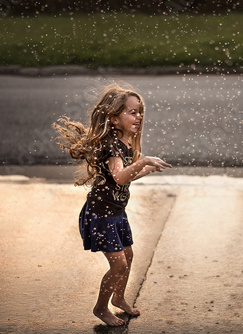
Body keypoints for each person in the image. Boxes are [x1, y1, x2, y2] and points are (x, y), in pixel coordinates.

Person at [53, 84, 172, 326]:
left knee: (128, 255)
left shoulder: (126, 140)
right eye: (132, 112)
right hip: (102, 215)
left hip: (117, 212)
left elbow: (122, 177)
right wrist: (144, 161)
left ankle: (118, 298)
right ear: (114, 118)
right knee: (118, 264)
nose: (138, 116)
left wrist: (145, 169)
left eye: (140, 112)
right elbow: (119, 177)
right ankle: (100, 308)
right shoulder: (112, 145)